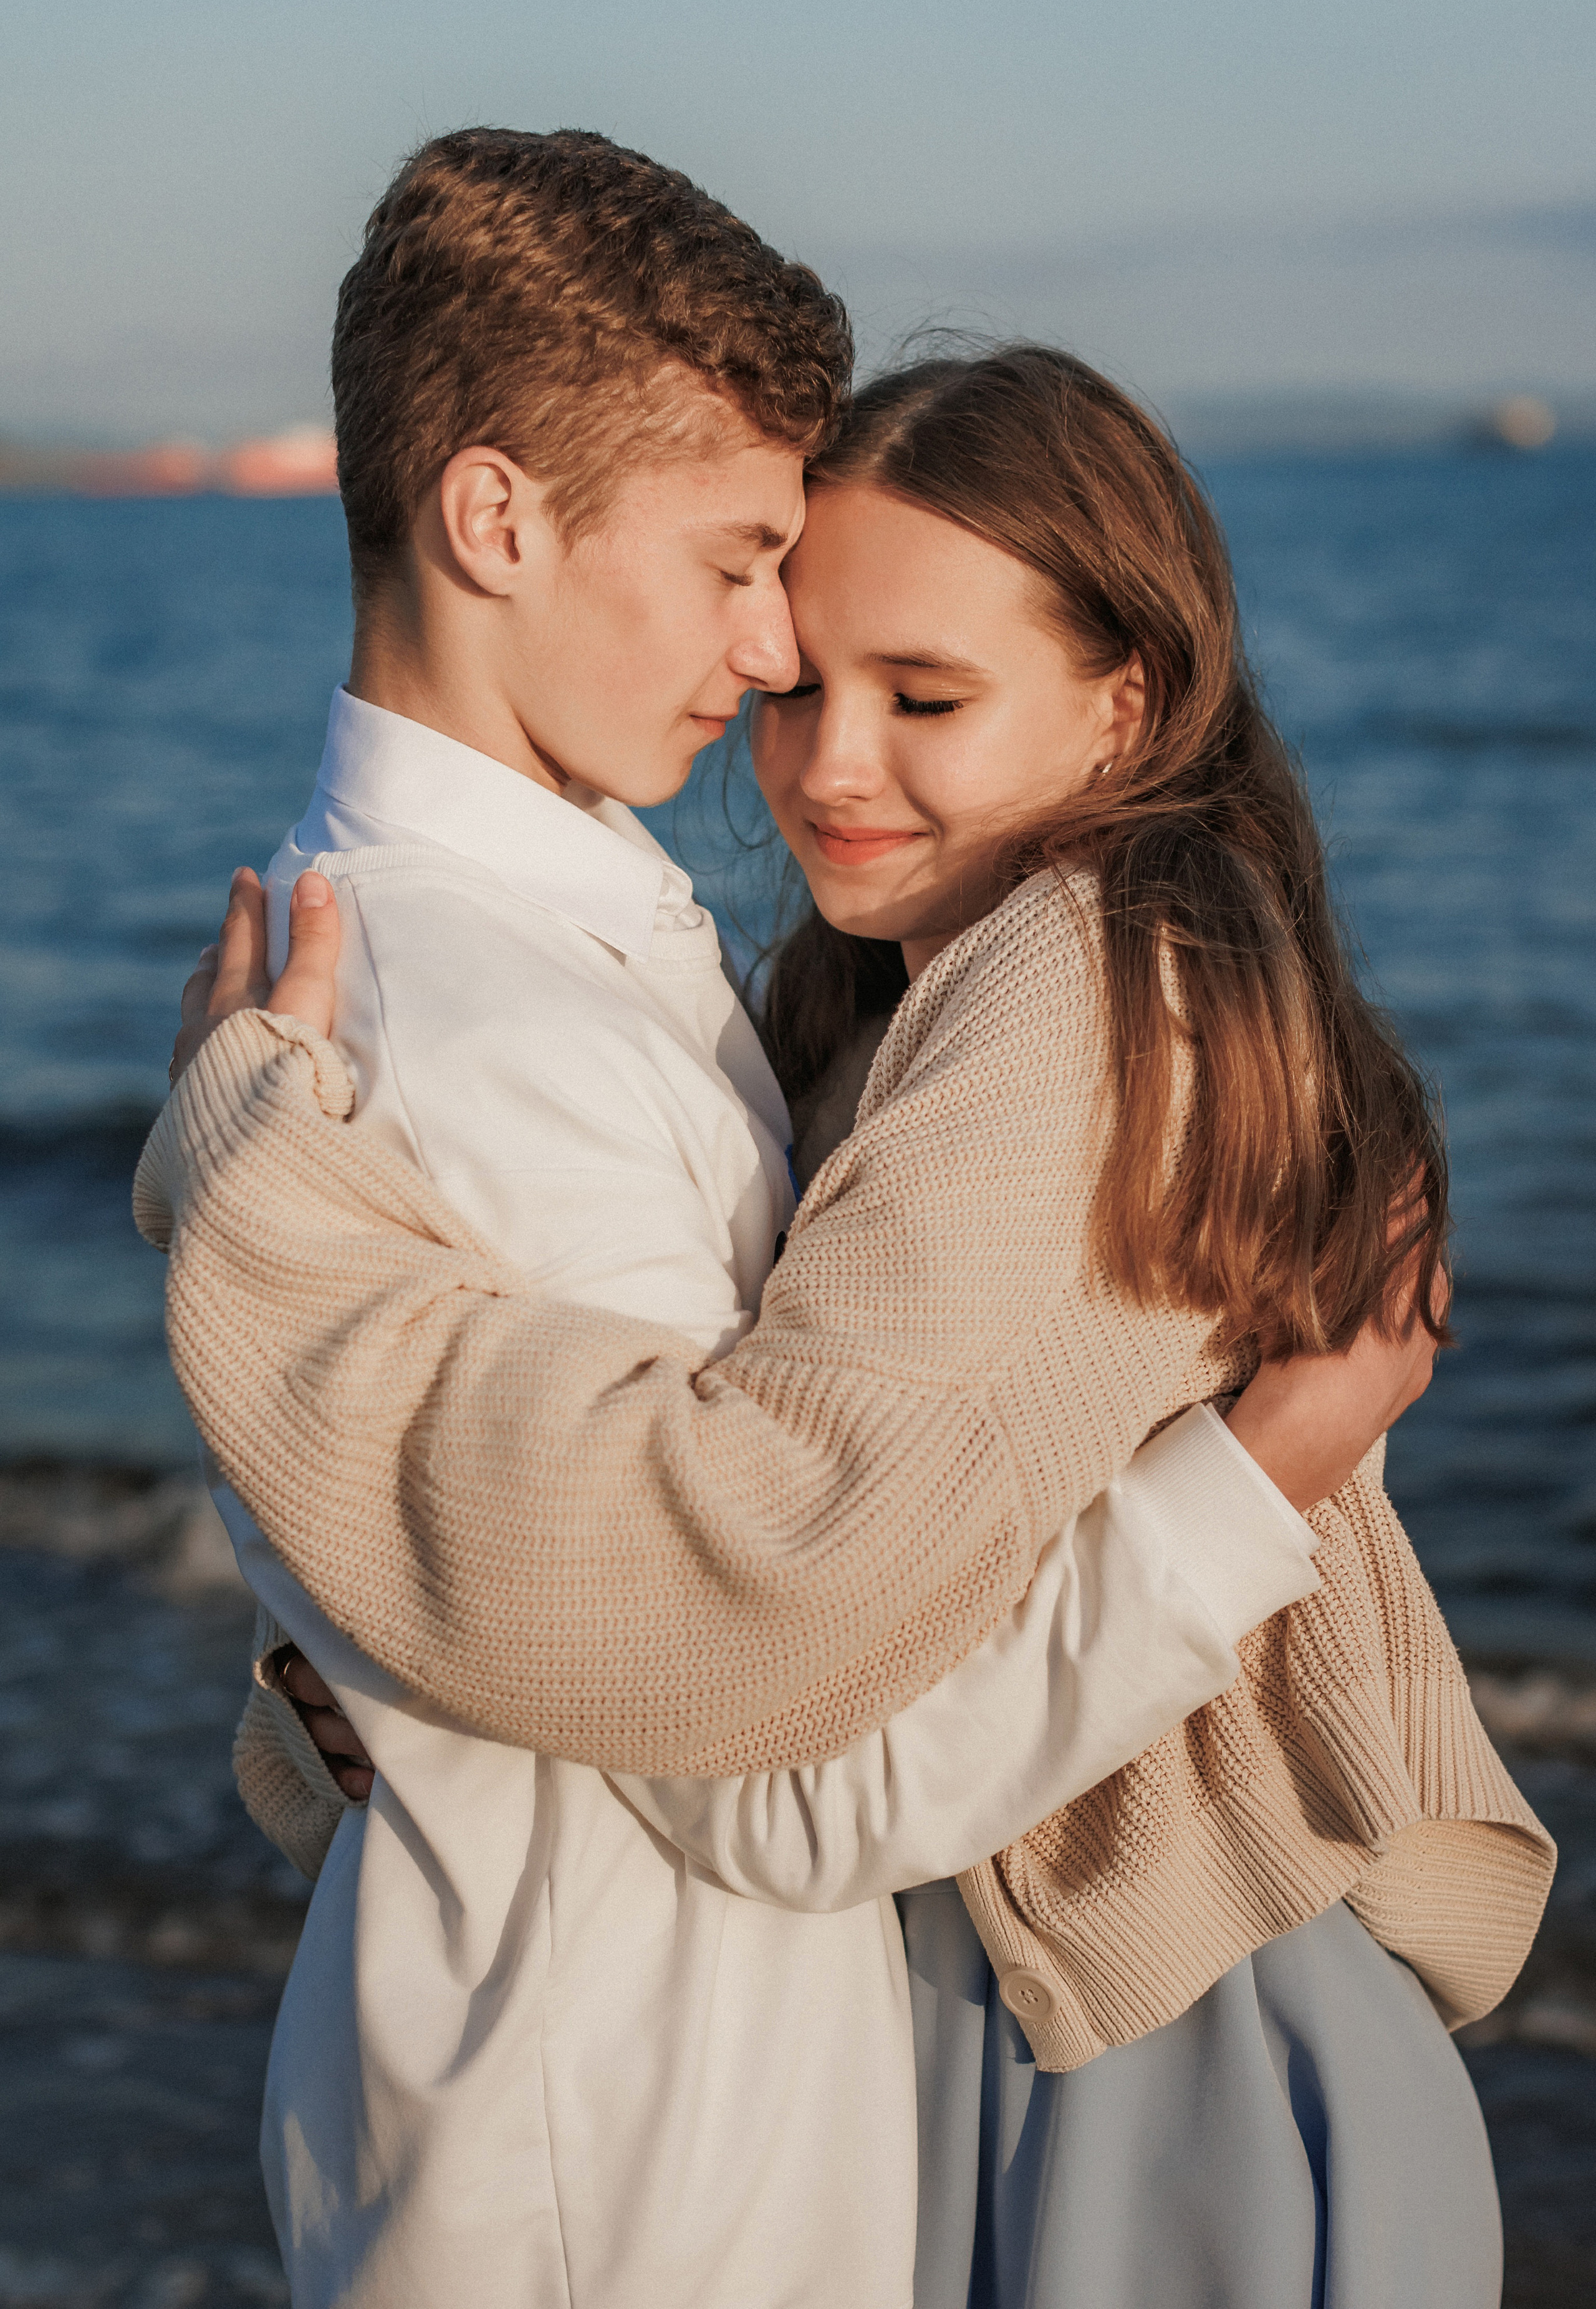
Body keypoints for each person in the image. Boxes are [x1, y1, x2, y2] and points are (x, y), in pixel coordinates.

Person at [140, 327, 1552, 2305]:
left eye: (930, 695)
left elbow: (764, 1664)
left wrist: (250, 1188)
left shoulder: (1085, 994)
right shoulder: (889, 995)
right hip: (1040, 1997)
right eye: (799, 686)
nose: (822, 765)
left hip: (1152, 2035)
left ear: (1128, 698)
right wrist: (375, 1686)